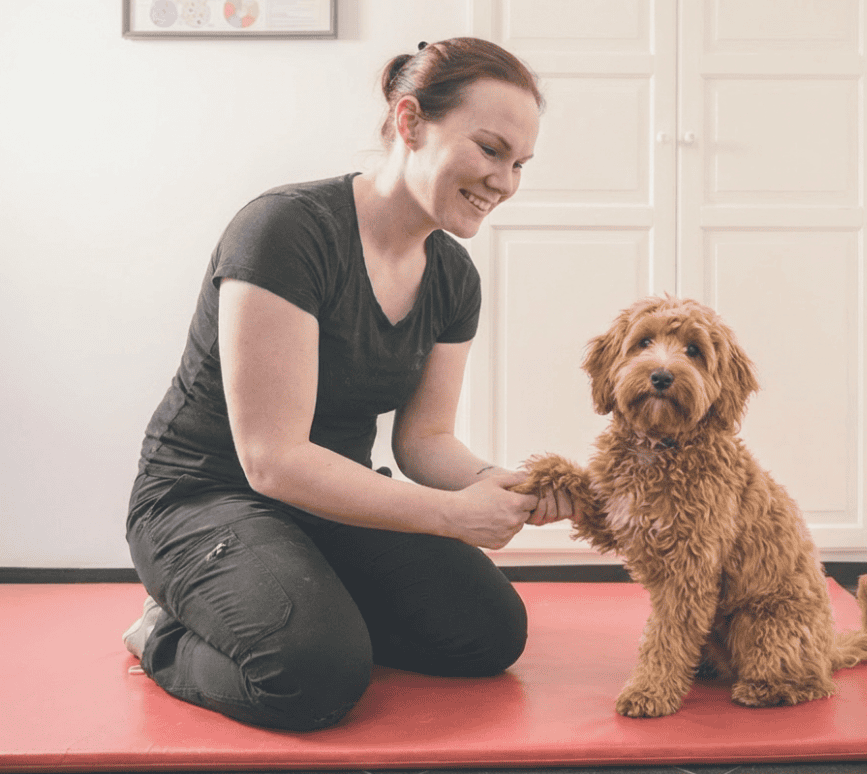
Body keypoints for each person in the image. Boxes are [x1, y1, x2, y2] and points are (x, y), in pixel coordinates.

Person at [123, 37, 572, 732]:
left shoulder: (454, 279)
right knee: (314, 676)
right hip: (203, 499)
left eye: (519, 164)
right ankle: (163, 633)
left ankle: (302, 605)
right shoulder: (287, 230)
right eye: (489, 149)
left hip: (328, 501)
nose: (503, 181)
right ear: (410, 121)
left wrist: (504, 484)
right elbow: (272, 460)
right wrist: (452, 517)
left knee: (488, 634)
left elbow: (424, 442)